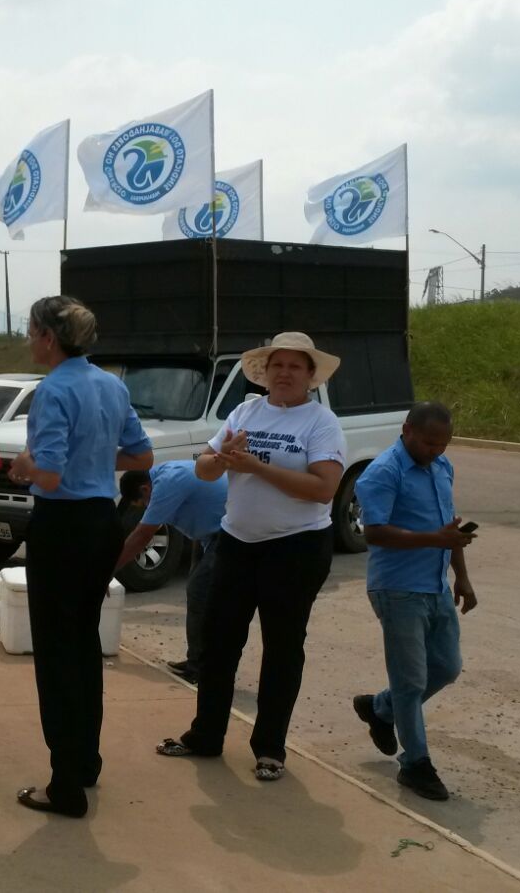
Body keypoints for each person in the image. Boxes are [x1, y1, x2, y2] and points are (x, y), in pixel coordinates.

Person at [154, 332, 345, 783]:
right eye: (277, 365)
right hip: (237, 543)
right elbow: (204, 468)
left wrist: (256, 466)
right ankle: (205, 735)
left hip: (296, 548)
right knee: (218, 643)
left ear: (310, 376)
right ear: (265, 371)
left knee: (282, 648)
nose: (284, 373)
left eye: (295, 366)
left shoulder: (321, 423)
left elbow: (324, 488)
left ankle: (270, 749)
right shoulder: (244, 412)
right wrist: (221, 459)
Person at [8, 296, 152, 818]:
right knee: (84, 647)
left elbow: (48, 475)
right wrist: (90, 456)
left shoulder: (53, 389)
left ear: (49, 337)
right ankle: (84, 762)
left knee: (56, 656)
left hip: (63, 527)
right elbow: (142, 455)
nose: (29, 340)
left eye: (31, 331)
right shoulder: (110, 384)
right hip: (101, 523)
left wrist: (25, 463)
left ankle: (64, 784)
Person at [350, 401, 477, 802]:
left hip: (435, 585)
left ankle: (380, 709)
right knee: (411, 682)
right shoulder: (382, 473)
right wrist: (434, 540)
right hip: (397, 589)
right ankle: (416, 764)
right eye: (428, 443)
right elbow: (374, 533)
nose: (435, 451)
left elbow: (448, 527)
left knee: (448, 666)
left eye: (443, 444)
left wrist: (462, 576)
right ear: (406, 431)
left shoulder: (442, 467)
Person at [114, 460, 227, 685]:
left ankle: (201, 667)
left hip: (225, 535)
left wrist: (110, 571)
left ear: (145, 489)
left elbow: (143, 534)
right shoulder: (162, 475)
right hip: (208, 536)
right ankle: (199, 659)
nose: (147, 507)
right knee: (200, 595)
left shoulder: (167, 483)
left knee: (199, 594)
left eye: (143, 503)